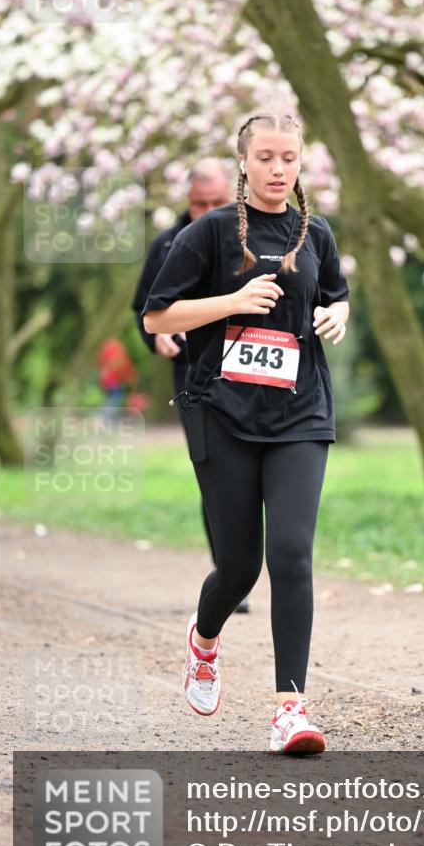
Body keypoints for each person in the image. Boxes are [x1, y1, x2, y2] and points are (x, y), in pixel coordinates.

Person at [142, 111, 350, 754]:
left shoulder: (315, 233)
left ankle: (290, 709)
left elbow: (336, 293)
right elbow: (157, 317)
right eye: (265, 157)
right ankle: (204, 642)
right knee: (239, 566)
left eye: (289, 157)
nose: (278, 169)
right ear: (244, 162)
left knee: (291, 553)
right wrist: (232, 303)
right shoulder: (206, 234)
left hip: (299, 411)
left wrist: (336, 313)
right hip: (221, 410)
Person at [132, 160, 250, 613]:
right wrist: (156, 336)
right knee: (218, 478)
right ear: (187, 201)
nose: (206, 212)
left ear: (232, 195)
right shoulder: (168, 244)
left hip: (252, 374)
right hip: (194, 380)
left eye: (216, 203)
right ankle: (229, 577)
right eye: (198, 204)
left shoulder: (253, 235)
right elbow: (145, 308)